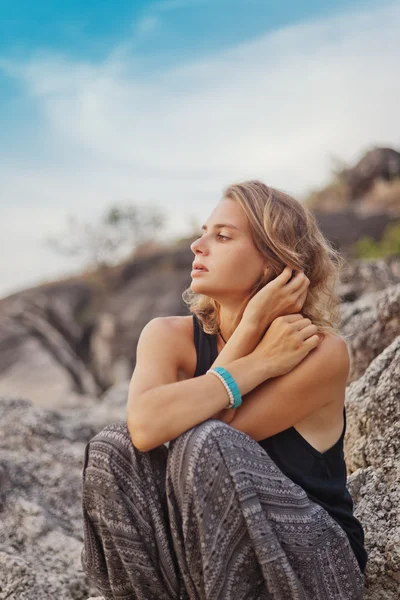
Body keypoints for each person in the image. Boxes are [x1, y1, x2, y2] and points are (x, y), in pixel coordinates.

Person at [81, 181, 367, 600]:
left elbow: (215, 438)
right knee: (111, 449)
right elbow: (143, 427)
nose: (198, 246)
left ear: (273, 264)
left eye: (222, 236)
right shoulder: (167, 336)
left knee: (206, 440)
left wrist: (252, 343)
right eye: (203, 232)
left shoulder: (319, 352)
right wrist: (254, 349)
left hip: (314, 565)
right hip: (205, 566)